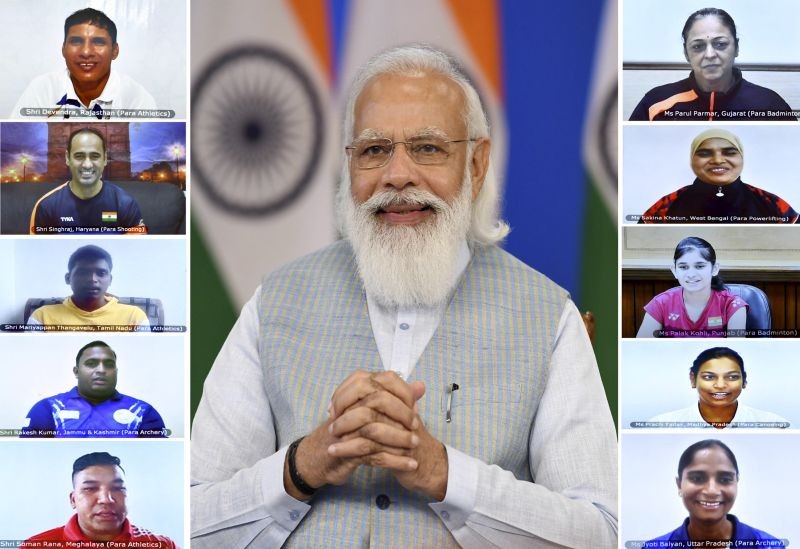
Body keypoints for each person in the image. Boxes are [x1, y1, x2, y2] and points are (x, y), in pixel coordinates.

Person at [191, 45, 617, 548]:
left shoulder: (547, 316)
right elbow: (191, 520)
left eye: (428, 148)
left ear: (476, 165)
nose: (397, 175)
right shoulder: (276, 300)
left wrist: (445, 474)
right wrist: (304, 464)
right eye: (374, 150)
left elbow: (600, 532)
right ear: (349, 164)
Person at [629, 8, 796, 121]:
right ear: (686, 53)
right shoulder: (656, 103)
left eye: (720, 44)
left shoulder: (769, 105)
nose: (709, 54)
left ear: (736, 48)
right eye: (698, 46)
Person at [11, 8, 156, 119]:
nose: (86, 52)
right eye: (76, 41)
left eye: (98, 42)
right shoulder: (43, 89)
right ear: (63, 49)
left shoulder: (136, 98)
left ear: (114, 51)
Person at [639, 129, 799, 224]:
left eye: (729, 152)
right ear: (691, 159)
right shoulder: (666, 206)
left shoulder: (771, 205)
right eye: (704, 153)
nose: (717, 160)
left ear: (742, 158)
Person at [646, 440, 785, 546]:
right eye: (697, 478)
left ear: (736, 482)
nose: (711, 490)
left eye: (724, 479)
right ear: (679, 484)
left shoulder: (768, 546)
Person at [22, 452, 179, 546]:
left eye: (117, 488)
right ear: (72, 499)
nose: (106, 499)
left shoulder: (161, 545)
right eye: (90, 488)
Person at [21, 340, 167, 437]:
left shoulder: (142, 411)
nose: (101, 370)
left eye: (109, 365)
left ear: (116, 371)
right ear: (76, 372)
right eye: (91, 363)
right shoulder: (48, 408)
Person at [30, 127, 147, 234]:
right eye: (79, 156)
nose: (87, 165)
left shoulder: (125, 204)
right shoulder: (46, 206)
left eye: (95, 156)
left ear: (105, 159)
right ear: (67, 158)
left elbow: (139, 252)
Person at [648, 347, 788, 428]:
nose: (720, 385)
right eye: (709, 377)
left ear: (744, 381)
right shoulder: (661, 425)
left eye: (732, 377)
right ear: (693, 379)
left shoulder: (775, 425)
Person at [636, 237, 748, 338]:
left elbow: (734, 352)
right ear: (674, 271)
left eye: (699, 266)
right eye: (683, 267)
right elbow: (640, 349)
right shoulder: (660, 303)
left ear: (714, 269)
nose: (691, 274)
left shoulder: (733, 305)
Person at [27, 244, 150, 329]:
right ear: (68, 278)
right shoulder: (42, 317)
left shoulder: (134, 317)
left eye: (101, 273)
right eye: (83, 273)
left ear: (110, 280)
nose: (92, 279)